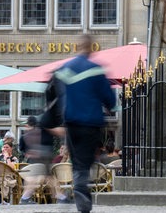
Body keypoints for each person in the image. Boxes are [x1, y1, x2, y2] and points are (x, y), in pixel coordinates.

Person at [55, 34, 116, 213]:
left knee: (77, 158)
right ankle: (81, 186)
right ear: (91, 48)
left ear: (77, 47)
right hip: (91, 122)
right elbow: (110, 99)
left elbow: (58, 95)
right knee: (87, 158)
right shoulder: (96, 70)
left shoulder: (64, 69)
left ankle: (79, 183)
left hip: (72, 122)